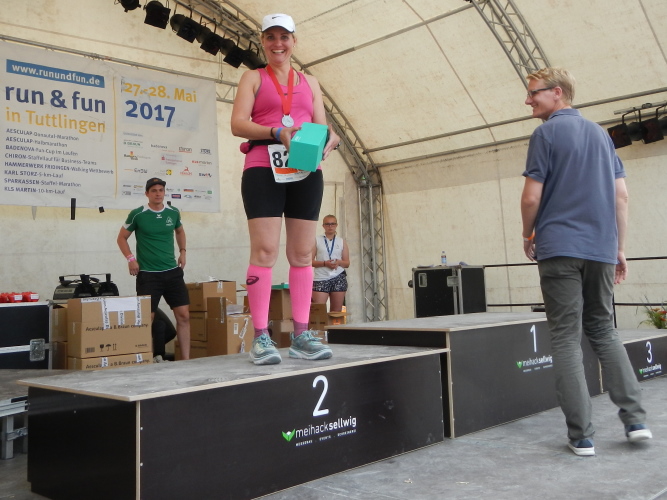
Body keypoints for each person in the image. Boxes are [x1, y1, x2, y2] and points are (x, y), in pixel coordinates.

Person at [520, 67, 651, 456]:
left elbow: (531, 197)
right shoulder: (601, 135)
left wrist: (527, 234)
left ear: (557, 93)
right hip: (601, 249)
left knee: (565, 337)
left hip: (560, 247)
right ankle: (636, 421)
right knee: (604, 331)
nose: (528, 100)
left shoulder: (545, 134)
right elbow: (621, 196)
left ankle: (582, 437)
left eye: (533, 93)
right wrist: (619, 248)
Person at [230, 13, 340, 365]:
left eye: (284, 37)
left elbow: (321, 126)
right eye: (271, 37)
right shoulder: (253, 77)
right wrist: (277, 131)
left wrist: (331, 138)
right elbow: (238, 124)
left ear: (294, 41)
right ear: (262, 41)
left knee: (303, 254)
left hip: (306, 168)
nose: (277, 43)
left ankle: (301, 335)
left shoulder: (311, 82)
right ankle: (261, 337)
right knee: (264, 251)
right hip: (263, 166)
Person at [117, 177, 190, 360]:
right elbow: (121, 238)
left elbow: (180, 231)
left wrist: (182, 252)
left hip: (172, 273)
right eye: (154, 191)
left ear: (164, 192)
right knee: (146, 320)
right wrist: (131, 259)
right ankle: (146, 360)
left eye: (161, 190)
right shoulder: (138, 214)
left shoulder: (173, 212)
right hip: (148, 275)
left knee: (183, 316)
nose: (158, 194)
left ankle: (186, 361)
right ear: (147, 194)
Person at [312, 215, 350, 312]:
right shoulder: (317, 240)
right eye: (327, 224)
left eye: (332, 224)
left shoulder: (341, 241)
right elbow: (310, 262)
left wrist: (339, 262)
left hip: (338, 276)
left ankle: (334, 323)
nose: (330, 226)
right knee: (318, 310)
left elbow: (347, 263)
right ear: (323, 226)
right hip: (321, 277)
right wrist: (325, 263)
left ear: (336, 225)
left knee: (336, 312)